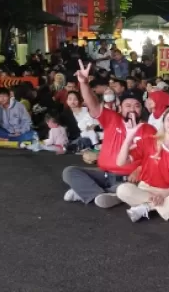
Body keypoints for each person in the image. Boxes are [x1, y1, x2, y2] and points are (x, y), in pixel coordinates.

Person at [62, 61, 156, 208]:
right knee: (69, 172)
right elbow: (92, 104)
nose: (132, 109)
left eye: (136, 105)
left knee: (130, 188)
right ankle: (102, 194)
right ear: (120, 107)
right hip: (104, 174)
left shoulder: (148, 129)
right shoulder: (113, 119)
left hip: (129, 179)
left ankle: (88, 192)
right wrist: (84, 83)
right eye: (128, 105)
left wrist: (139, 170)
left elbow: (154, 158)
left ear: (141, 109)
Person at [115, 107, 169, 222]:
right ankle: (167, 208)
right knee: (122, 189)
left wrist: (164, 194)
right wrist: (128, 137)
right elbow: (120, 162)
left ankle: (146, 207)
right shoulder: (149, 141)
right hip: (146, 189)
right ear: (164, 123)